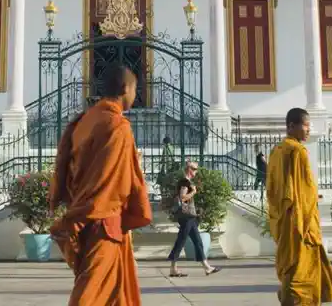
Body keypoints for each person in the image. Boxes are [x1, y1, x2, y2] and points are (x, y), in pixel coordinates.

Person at [50, 63, 152, 305]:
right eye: (135, 89)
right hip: (102, 220)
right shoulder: (117, 126)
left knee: (113, 296)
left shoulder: (84, 120)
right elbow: (114, 181)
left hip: (88, 217)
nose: (135, 96)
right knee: (89, 295)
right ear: (125, 88)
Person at [266, 108, 332, 305]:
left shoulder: (276, 151)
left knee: (293, 267)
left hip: (283, 218)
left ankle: (288, 295)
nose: (309, 130)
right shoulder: (297, 151)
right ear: (291, 126)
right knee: (300, 271)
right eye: (305, 125)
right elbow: (302, 191)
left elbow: (277, 188)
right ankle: (290, 298)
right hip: (299, 222)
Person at [167, 161, 220, 278]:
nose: (196, 171)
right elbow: (182, 197)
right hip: (186, 217)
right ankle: (173, 268)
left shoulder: (187, 182)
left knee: (197, 242)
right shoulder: (185, 182)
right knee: (181, 242)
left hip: (189, 217)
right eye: (195, 169)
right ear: (189, 169)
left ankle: (207, 267)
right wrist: (194, 192)